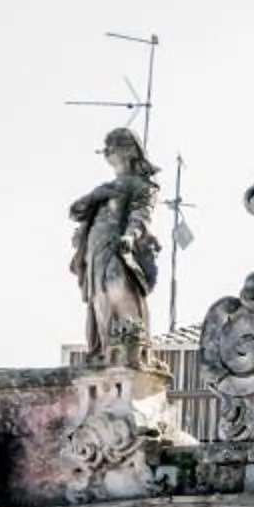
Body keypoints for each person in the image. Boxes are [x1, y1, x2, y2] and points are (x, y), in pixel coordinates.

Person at [69, 128, 162, 365]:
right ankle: (105, 350)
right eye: (106, 147)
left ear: (129, 150)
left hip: (118, 247)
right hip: (95, 250)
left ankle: (132, 346)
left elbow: (141, 215)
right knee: (99, 297)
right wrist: (96, 196)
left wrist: (130, 237)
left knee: (117, 286)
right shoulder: (105, 188)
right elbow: (75, 211)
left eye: (112, 146)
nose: (107, 151)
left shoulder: (142, 185)